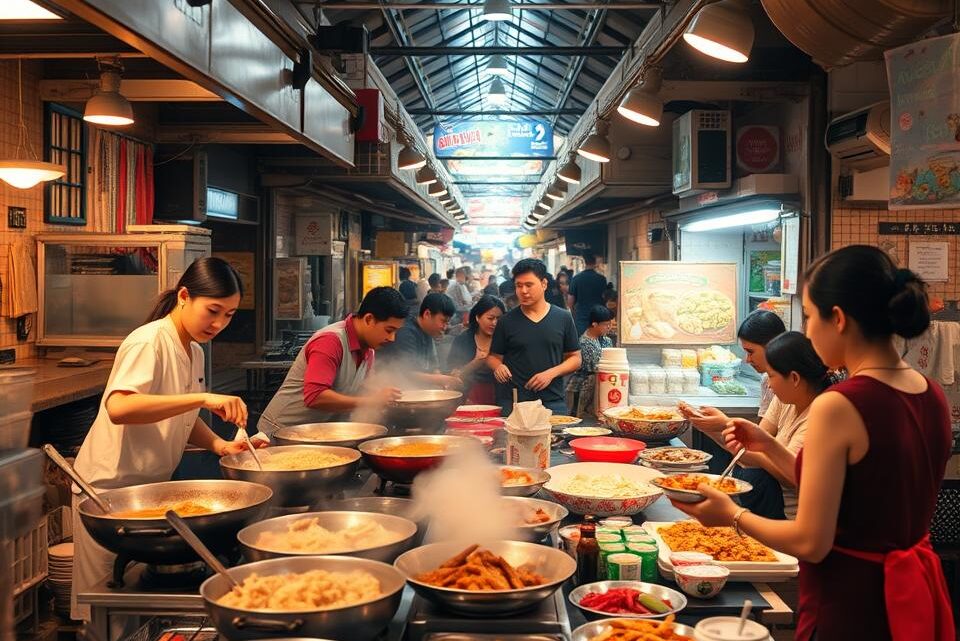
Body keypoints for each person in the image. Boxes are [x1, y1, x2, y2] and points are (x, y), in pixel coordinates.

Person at [674, 245, 955, 641]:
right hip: (916, 591)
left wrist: (731, 515)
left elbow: (810, 540)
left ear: (837, 319)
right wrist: (768, 445)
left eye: (808, 316)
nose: (806, 331)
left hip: (852, 599)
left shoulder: (840, 404)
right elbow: (858, 492)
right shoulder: (930, 392)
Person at [71, 257, 260, 621]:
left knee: (139, 603)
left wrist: (220, 446)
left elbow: (179, 416)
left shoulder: (194, 350)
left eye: (230, 315)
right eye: (213, 311)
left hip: (148, 493)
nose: (219, 323)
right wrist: (203, 398)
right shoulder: (149, 341)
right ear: (185, 296)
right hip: (108, 495)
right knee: (108, 606)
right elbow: (119, 407)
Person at [257, 287, 406, 436]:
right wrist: (370, 401)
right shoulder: (330, 341)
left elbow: (359, 393)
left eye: (396, 332)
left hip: (316, 436)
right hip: (279, 434)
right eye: (389, 330)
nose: (392, 338)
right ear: (368, 319)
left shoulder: (369, 351)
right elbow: (315, 397)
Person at [487, 258, 581, 415]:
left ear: (544, 284)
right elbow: (493, 357)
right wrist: (498, 366)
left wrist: (550, 373)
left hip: (552, 402)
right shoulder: (506, 321)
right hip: (515, 402)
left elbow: (575, 358)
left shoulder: (563, 317)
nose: (523, 291)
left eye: (529, 285)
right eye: (519, 286)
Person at [378, 293, 462, 389]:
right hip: (394, 388)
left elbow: (434, 366)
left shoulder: (429, 331)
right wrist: (441, 379)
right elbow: (406, 372)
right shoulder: (406, 332)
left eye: (447, 323)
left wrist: (443, 380)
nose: (445, 327)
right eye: (443, 321)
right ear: (427, 314)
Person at [447, 295, 506, 405]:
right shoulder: (463, 340)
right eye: (490, 318)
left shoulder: (506, 339)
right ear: (478, 317)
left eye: (499, 319)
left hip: (501, 396)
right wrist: (475, 363)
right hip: (468, 398)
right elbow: (453, 376)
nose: (494, 323)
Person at [565, 305, 614, 418]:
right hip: (586, 386)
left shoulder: (606, 340)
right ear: (594, 324)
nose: (609, 327)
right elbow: (595, 367)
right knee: (583, 418)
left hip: (604, 383)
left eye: (609, 324)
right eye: (606, 324)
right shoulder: (584, 343)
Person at [568, 253, 608, 335]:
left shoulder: (576, 279)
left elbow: (570, 299)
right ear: (595, 263)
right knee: (596, 343)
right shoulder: (601, 279)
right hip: (597, 318)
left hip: (581, 318)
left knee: (582, 343)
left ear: (584, 263)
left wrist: (573, 314)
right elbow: (605, 298)